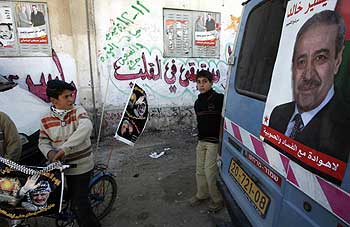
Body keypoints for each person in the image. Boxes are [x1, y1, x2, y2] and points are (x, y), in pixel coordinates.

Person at [268, 10, 349, 184]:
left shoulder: (344, 128)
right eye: (301, 61)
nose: (307, 75)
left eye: (320, 58)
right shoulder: (278, 114)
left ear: (337, 61)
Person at [38, 80, 100, 227]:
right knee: (57, 200)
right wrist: (50, 154)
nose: (71, 99)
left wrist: (64, 149)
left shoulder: (78, 111)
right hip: (59, 168)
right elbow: (43, 141)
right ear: (54, 100)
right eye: (66, 97)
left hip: (81, 166)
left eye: (71, 95)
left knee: (79, 206)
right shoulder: (45, 118)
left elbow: (86, 127)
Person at [189, 70, 224, 212]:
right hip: (201, 141)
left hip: (213, 142)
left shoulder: (219, 99)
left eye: (205, 82)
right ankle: (201, 194)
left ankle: (217, 199)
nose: (201, 85)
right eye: (199, 82)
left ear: (211, 82)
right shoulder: (198, 102)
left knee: (209, 172)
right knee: (199, 171)